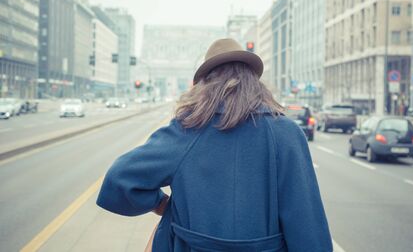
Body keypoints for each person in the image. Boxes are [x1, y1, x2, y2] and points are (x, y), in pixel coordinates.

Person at [97, 38, 332, 251]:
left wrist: (163, 205)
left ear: (205, 85)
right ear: (254, 82)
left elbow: (119, 179)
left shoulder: (187, 129)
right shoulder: (287, 134)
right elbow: (307, 225)